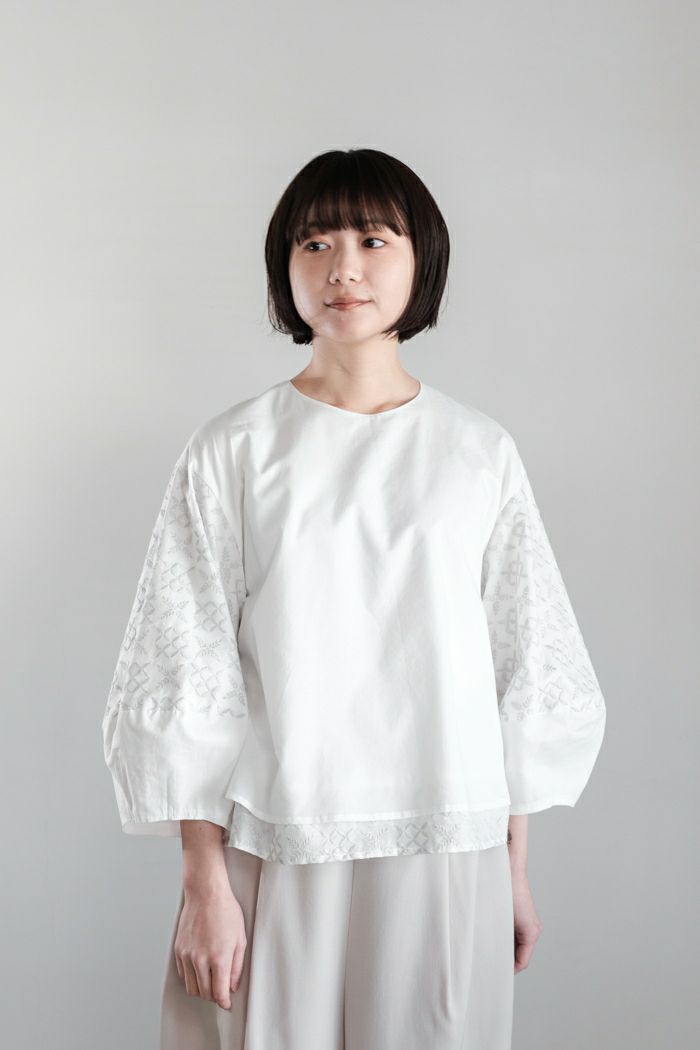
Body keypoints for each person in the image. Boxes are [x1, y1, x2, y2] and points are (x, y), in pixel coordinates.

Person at [101, 147, 607, 1050]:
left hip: (447, 839)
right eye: (315, 243)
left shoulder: (477, 452)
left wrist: (514, 870)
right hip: (279, 835)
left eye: (374, 240)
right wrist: (202, 885)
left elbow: (522, 663)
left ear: (422, 260)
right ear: (284, 267)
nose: (343, 268)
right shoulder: (235, 450)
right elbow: (187, 669)